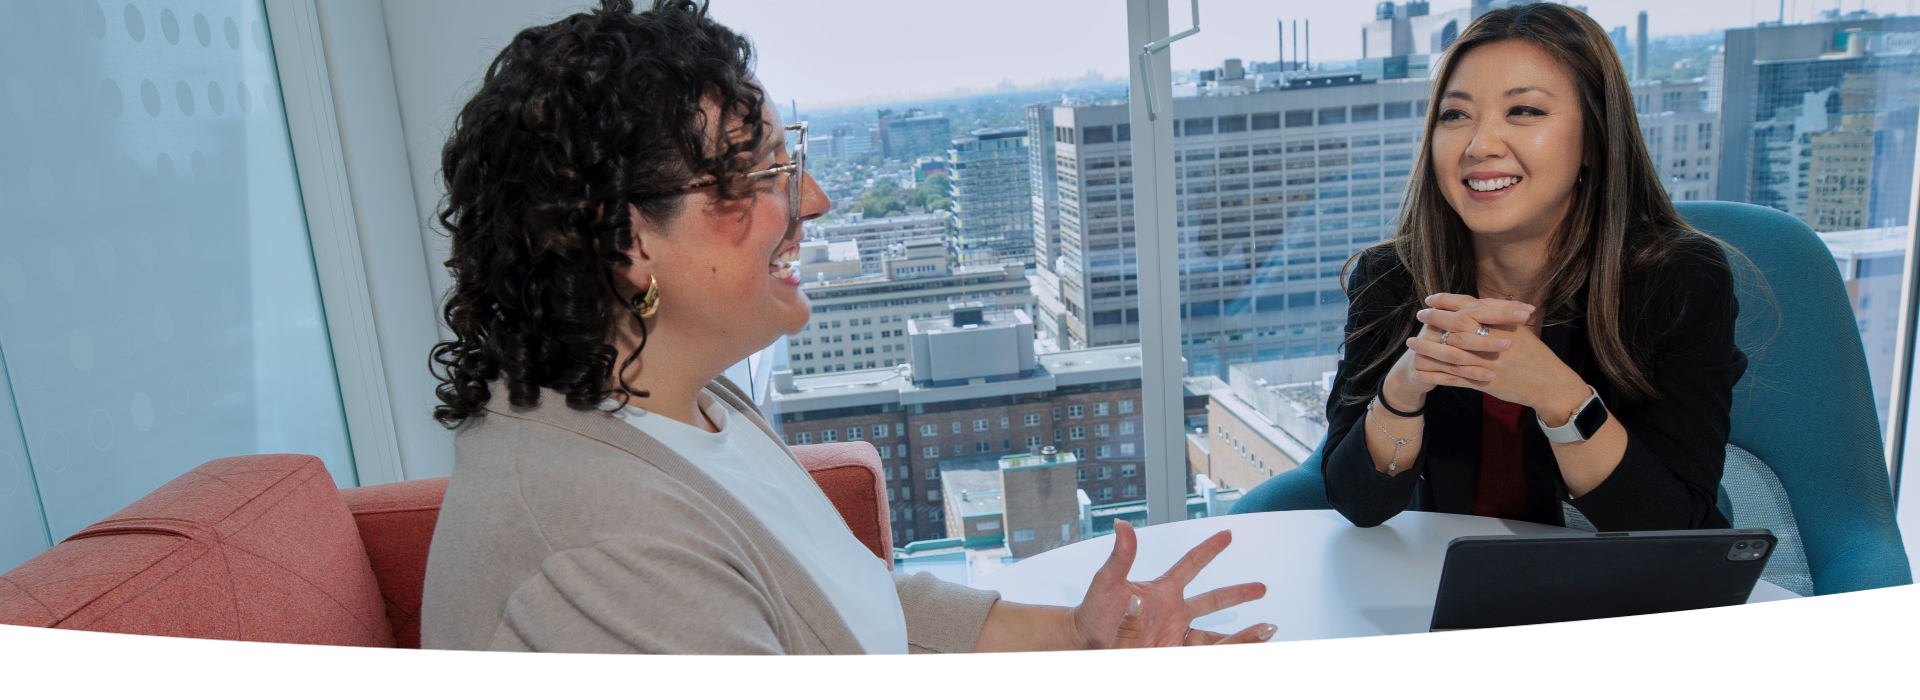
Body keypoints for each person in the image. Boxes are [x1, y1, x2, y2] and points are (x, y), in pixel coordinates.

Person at [419, 0, 1274, 655]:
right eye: (760, 174)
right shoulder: (600, 553)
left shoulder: (689, 406)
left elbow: (849, 607)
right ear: (626, 240)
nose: (815, 200)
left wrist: (1075, 632)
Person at [1299, 4, 1748, 532]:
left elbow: (1677, 531)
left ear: (1595, 138)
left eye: (1525, 111)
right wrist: (1403, 389)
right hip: (1446, 575)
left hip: (1612, 581)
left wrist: (1558, 397)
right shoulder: (1393, 277)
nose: (1479, 146)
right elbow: (1358, 503)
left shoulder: (1679, 280)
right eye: (1455, 115)